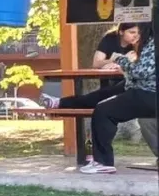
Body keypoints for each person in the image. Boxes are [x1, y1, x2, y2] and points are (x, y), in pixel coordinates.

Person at [81, 27, 156, 175]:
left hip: (148, 93)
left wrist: (120, 59)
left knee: (103, 111)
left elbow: (140, 71)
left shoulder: (152, 43)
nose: (137, 35)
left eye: (138, 32)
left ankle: (103, 162)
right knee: (146, 121)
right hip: (147, 94)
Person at [58, 23, 141, 109]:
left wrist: (135, 48)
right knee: (99, 98)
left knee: (99, 99)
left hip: (130, 84)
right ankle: (60, 103)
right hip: (110, 82)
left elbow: (138, 65)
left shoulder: (140, 43)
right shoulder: (110, 38)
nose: (135, 36)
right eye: (132, 32)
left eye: (138, 33)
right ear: (121, 32)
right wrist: (115, 60)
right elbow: (96, 63)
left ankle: (59, 103)